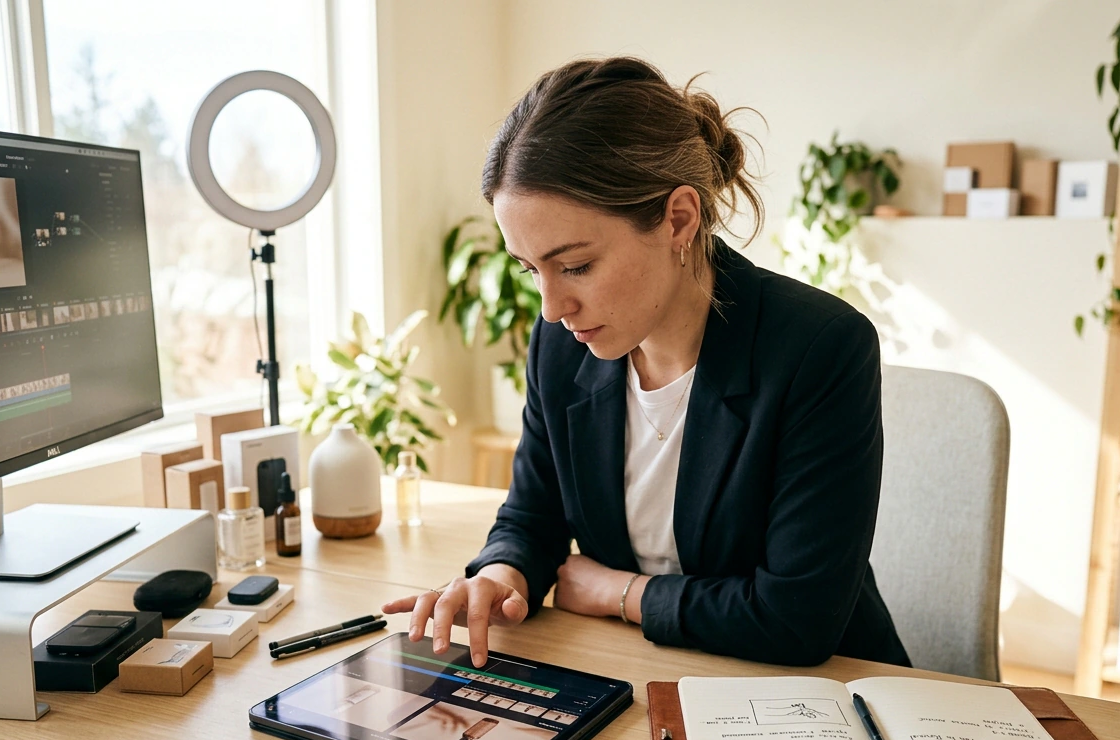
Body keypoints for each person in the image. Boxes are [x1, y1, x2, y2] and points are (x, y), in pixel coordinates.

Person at [383, 56, 910, 671]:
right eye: (531, 270)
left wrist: (621, 593)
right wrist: (499, 578)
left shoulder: (821, 348)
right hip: (641, 670)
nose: (552, 308)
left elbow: (796, 619)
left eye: (576, 266)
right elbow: (532, 516)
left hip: (819, 691)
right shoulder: (560, 345)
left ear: (678, 219)